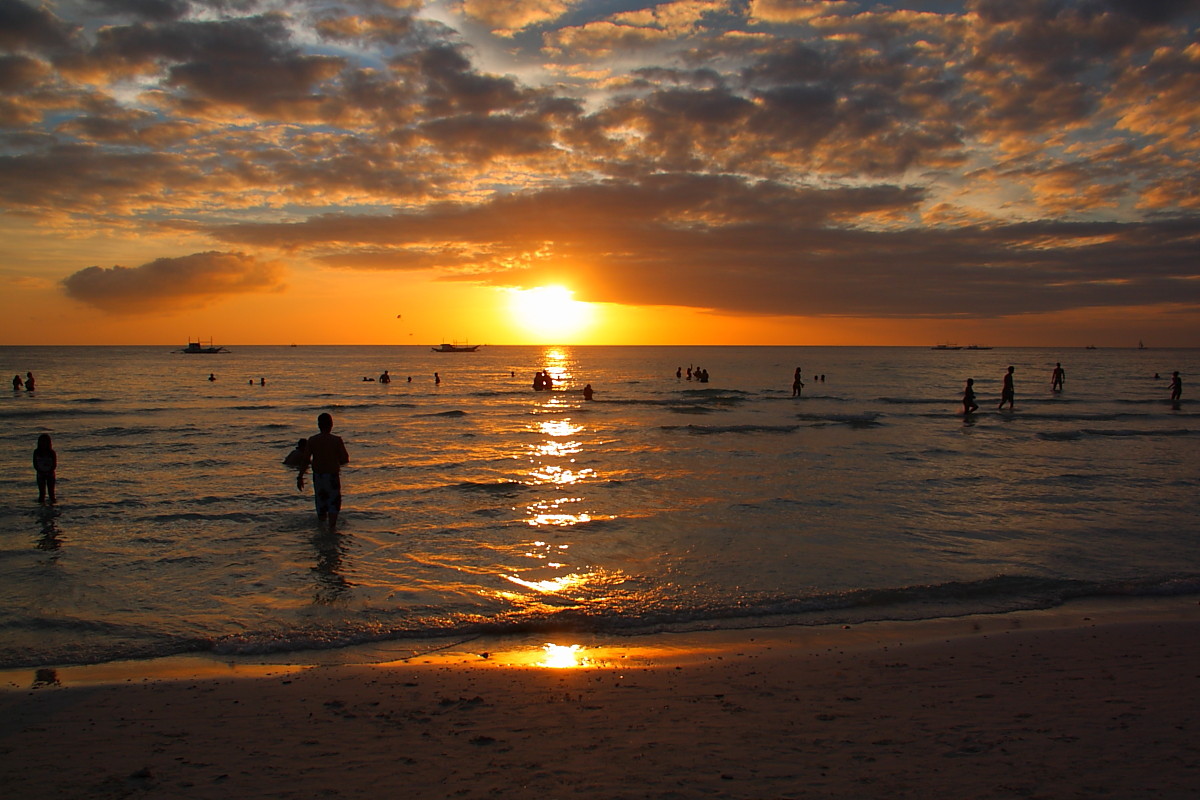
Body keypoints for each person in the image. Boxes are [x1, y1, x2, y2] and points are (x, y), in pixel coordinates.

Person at [307, 413, 349, 530]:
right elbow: (345, 458)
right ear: (331, 425)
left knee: (321, 503)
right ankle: (332, 529)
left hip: (318, 477)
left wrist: (300, 477)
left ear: (319, 425)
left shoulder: (312, 440)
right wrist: (335, 461)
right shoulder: (336, 440)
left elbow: (306, 460)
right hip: (332, 477)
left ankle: (321, 529)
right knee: (333, 505)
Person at [33, 433, 56, 504]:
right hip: (40, 474)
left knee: (51, 493)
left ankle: (52, 507)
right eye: (42, 441)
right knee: (42, 493)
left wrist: (49, 471)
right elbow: (35, 464)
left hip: (50, 474)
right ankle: (41, 508)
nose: (43, 443)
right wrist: (40, 471)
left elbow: (54, 464)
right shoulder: (36, 452)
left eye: (45, 441)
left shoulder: (51, 452)